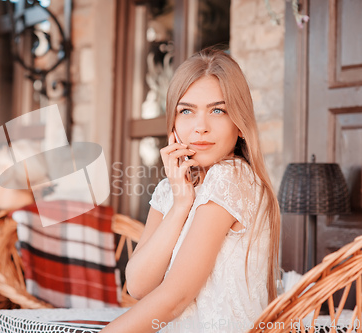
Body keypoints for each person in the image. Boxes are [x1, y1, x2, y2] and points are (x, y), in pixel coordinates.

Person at [102, 48, 280, 332]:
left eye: (218, 110)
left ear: (241, 124)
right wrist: (181, 203)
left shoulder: (232, 177)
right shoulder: (171, 189)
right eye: (186, 111)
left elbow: (176, 298)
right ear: (172, 124)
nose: (200, 128)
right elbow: (137, 285)